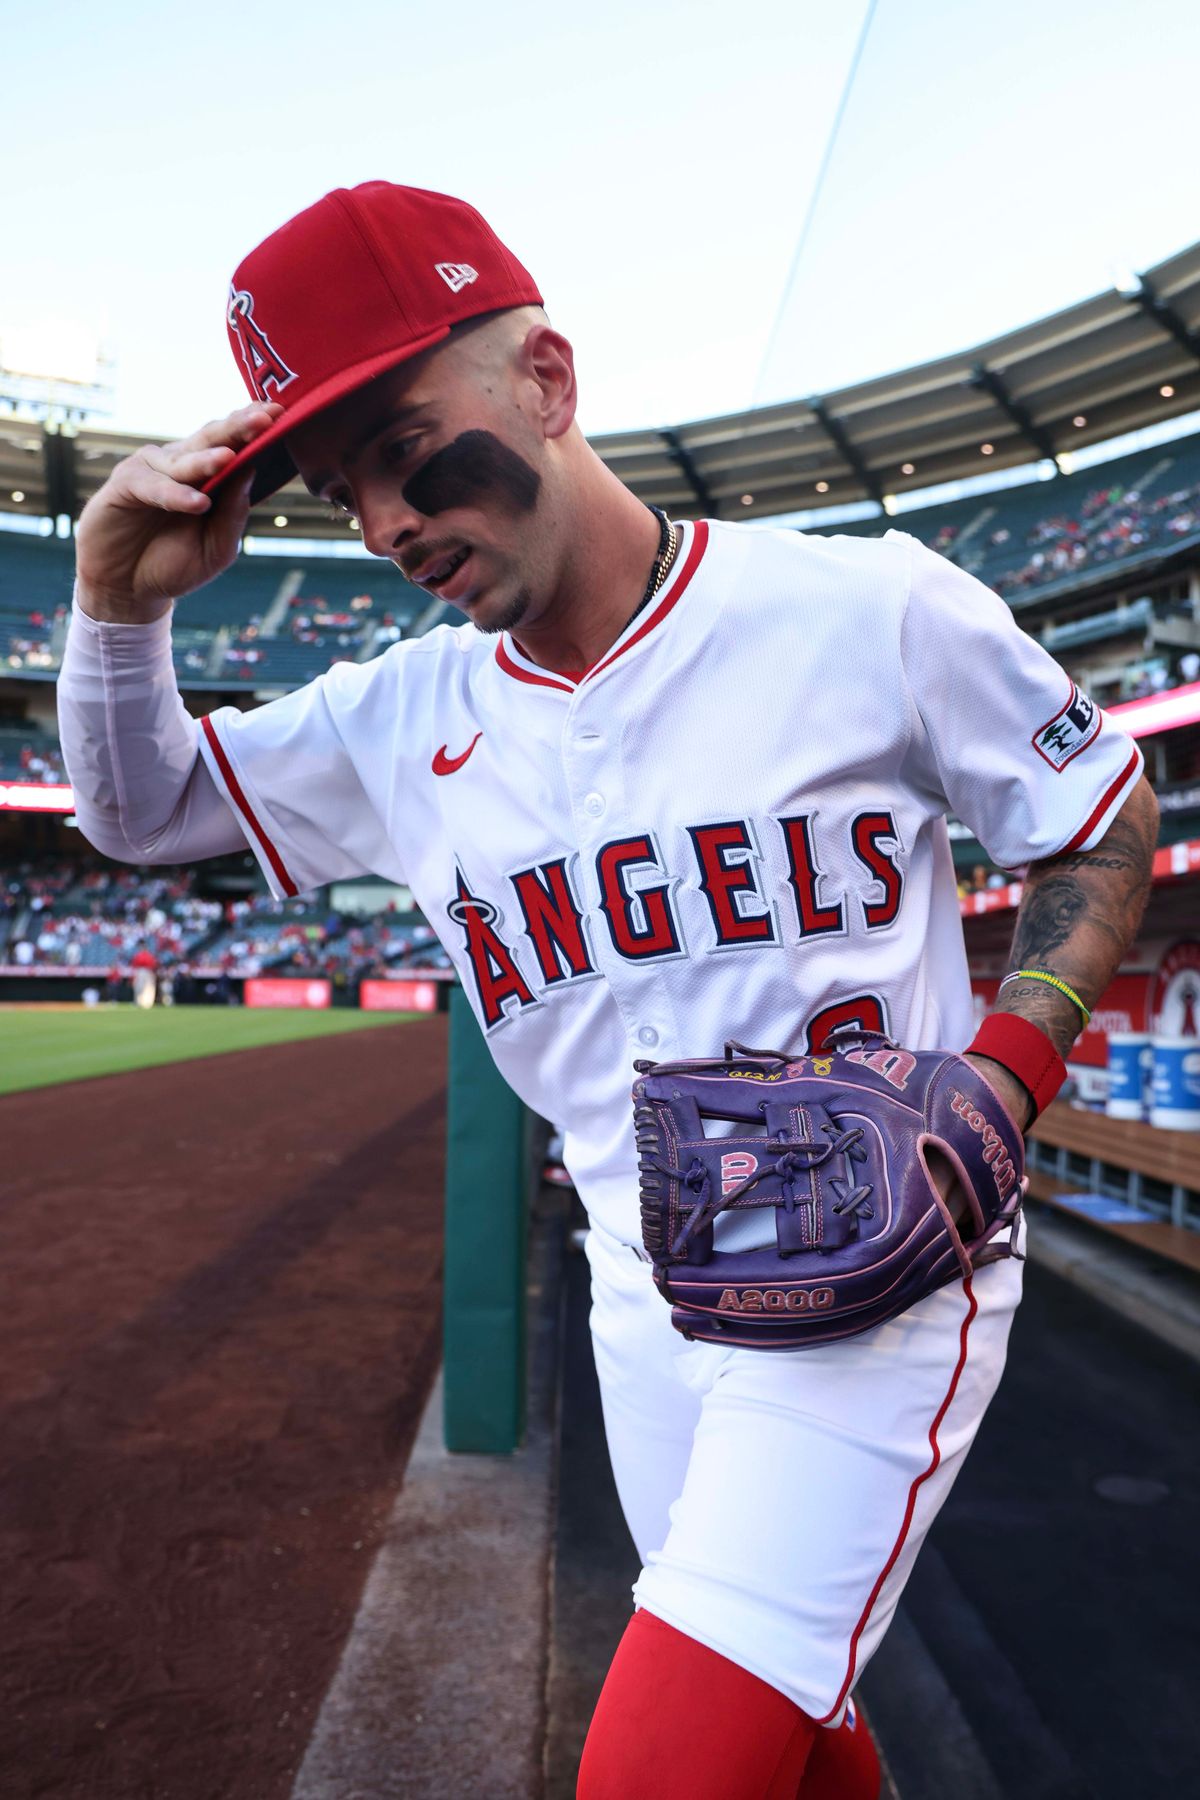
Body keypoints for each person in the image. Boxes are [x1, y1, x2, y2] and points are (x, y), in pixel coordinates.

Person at [57, 182, 1158, 1799]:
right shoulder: (394, 718)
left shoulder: (868, 610)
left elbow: (1097, 818)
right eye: (335, 484)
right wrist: (118, 603)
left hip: (881, 1277)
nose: (379, 521)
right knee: (797, 1723)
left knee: (660, 1766)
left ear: (548, 384)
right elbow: (140, 812)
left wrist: (1007, 1069)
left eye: (404, 445)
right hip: (644, 1294)